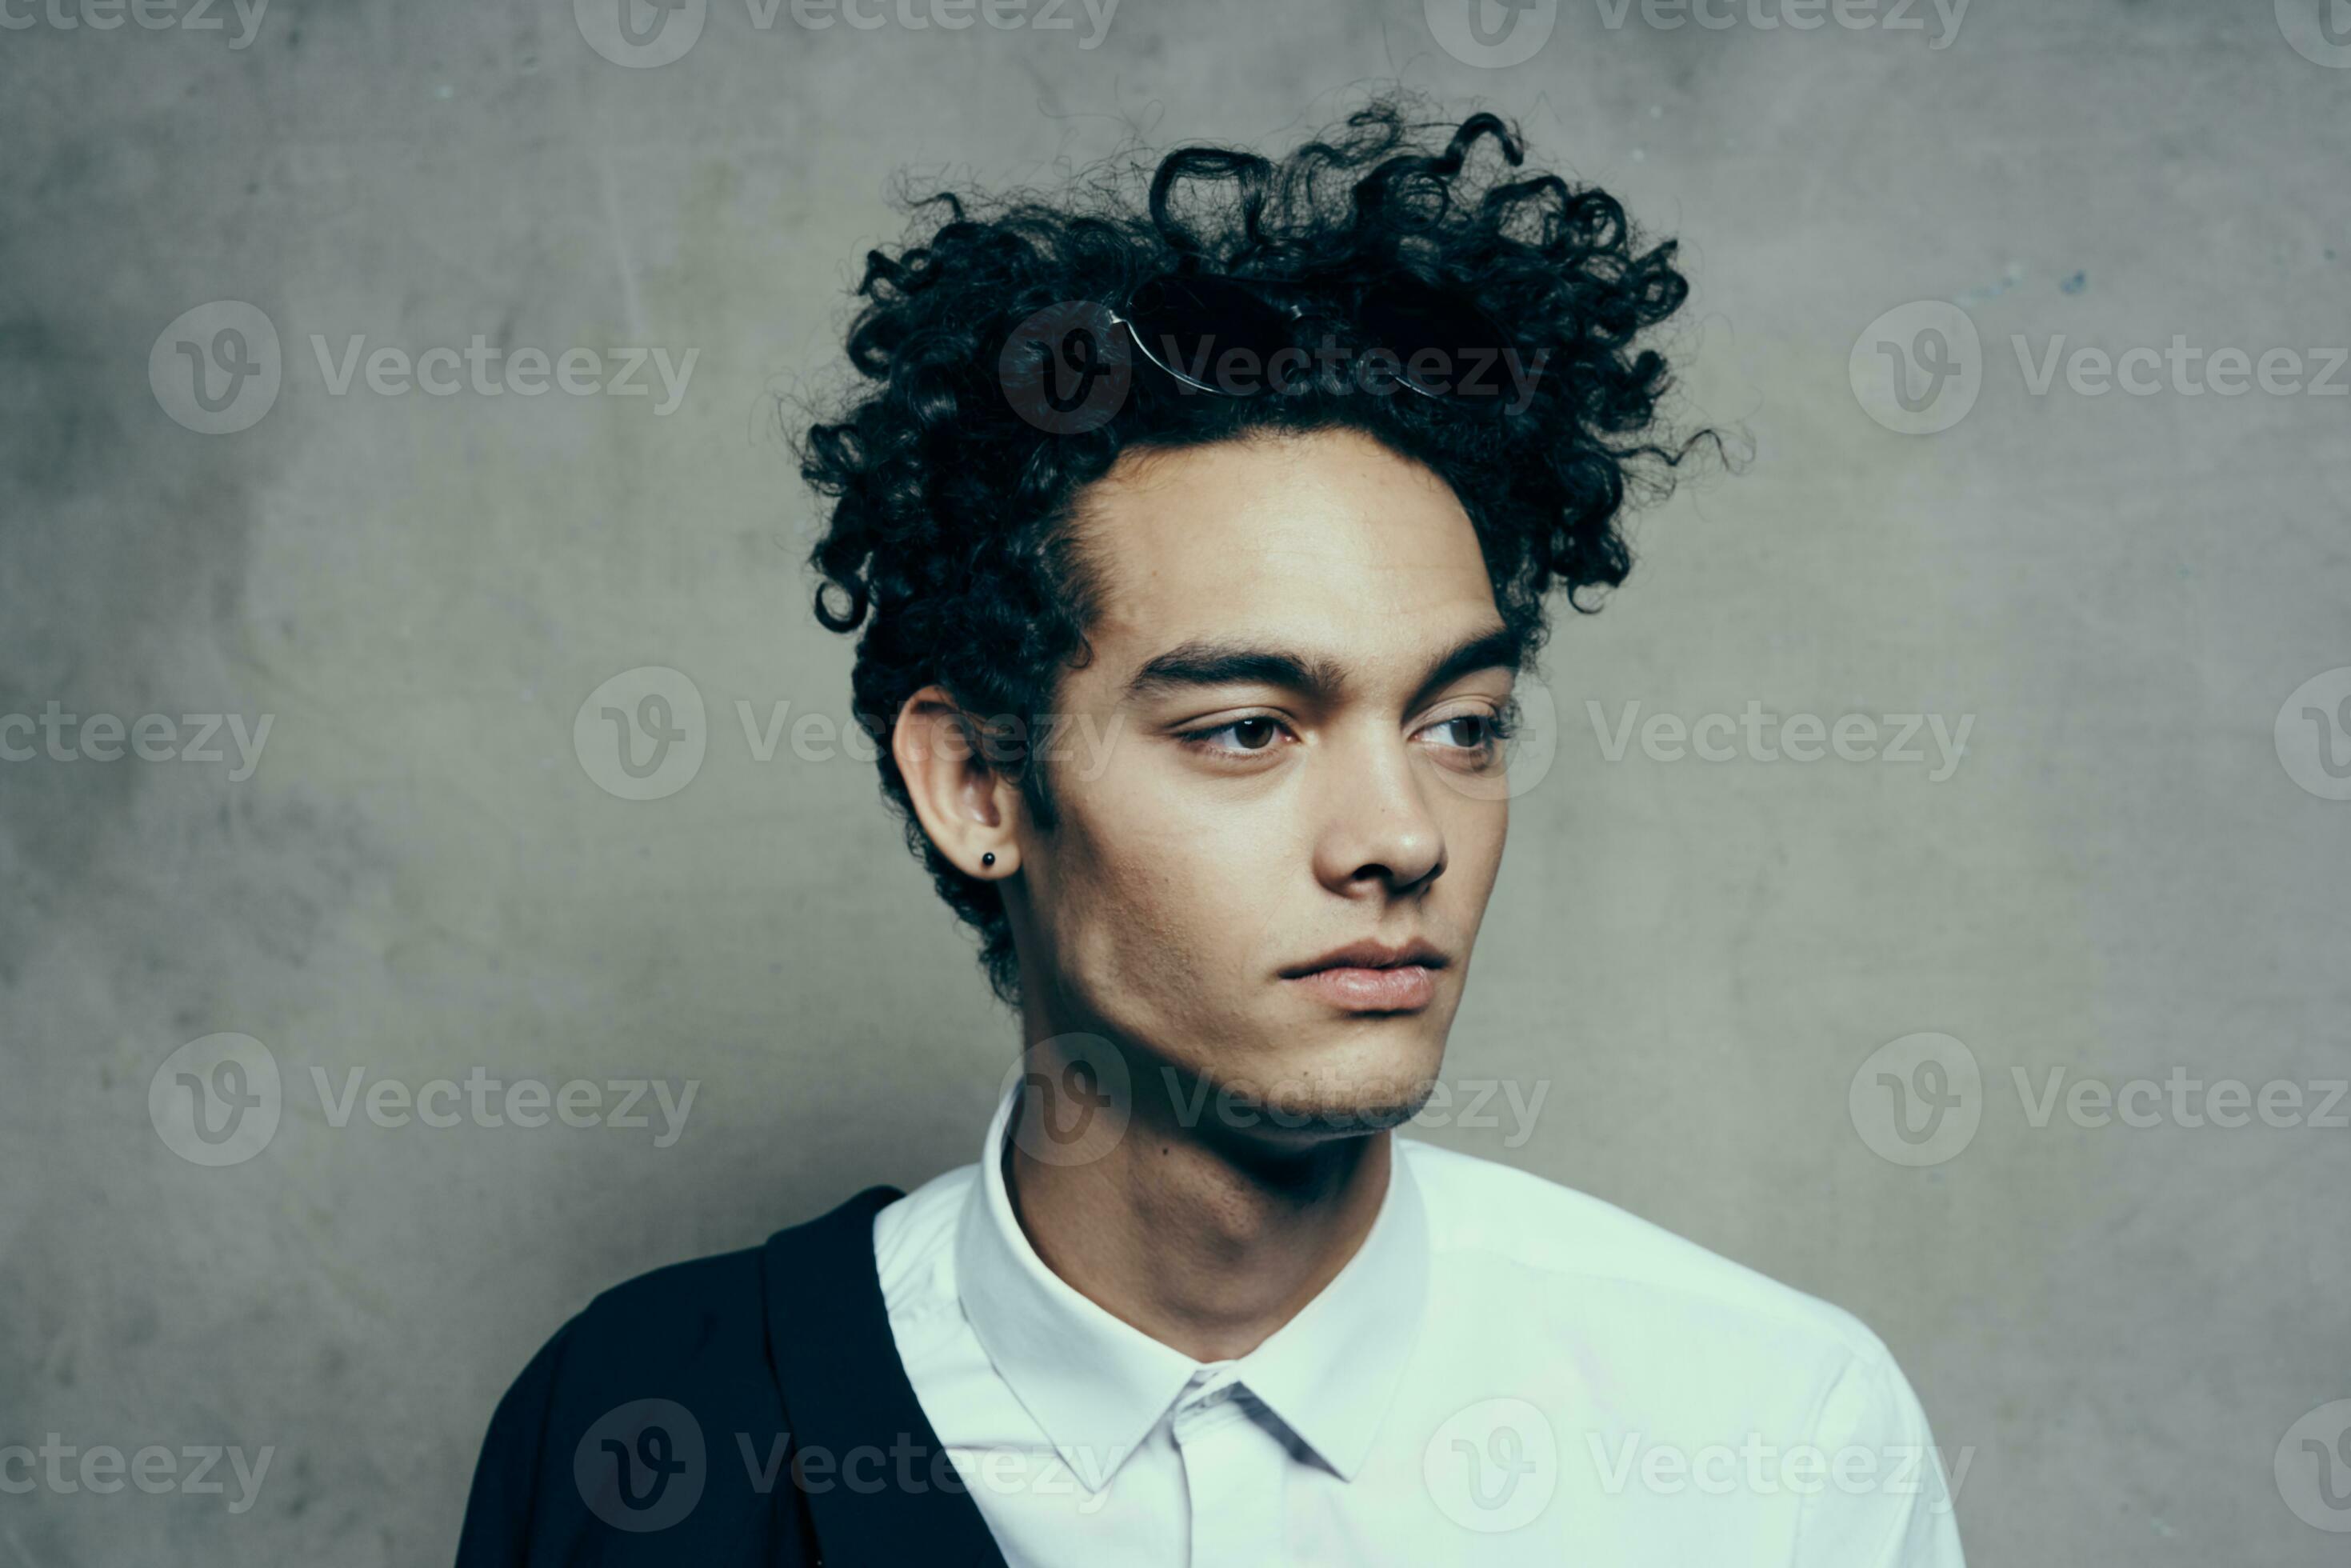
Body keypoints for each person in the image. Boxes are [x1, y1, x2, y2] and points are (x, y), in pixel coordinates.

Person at [455, 98, 1966, 1566]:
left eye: (1463, 727)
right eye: (1247, 728)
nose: (1402, 839)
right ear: (978, 785)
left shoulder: (1770, 1436)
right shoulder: (650, 1428)